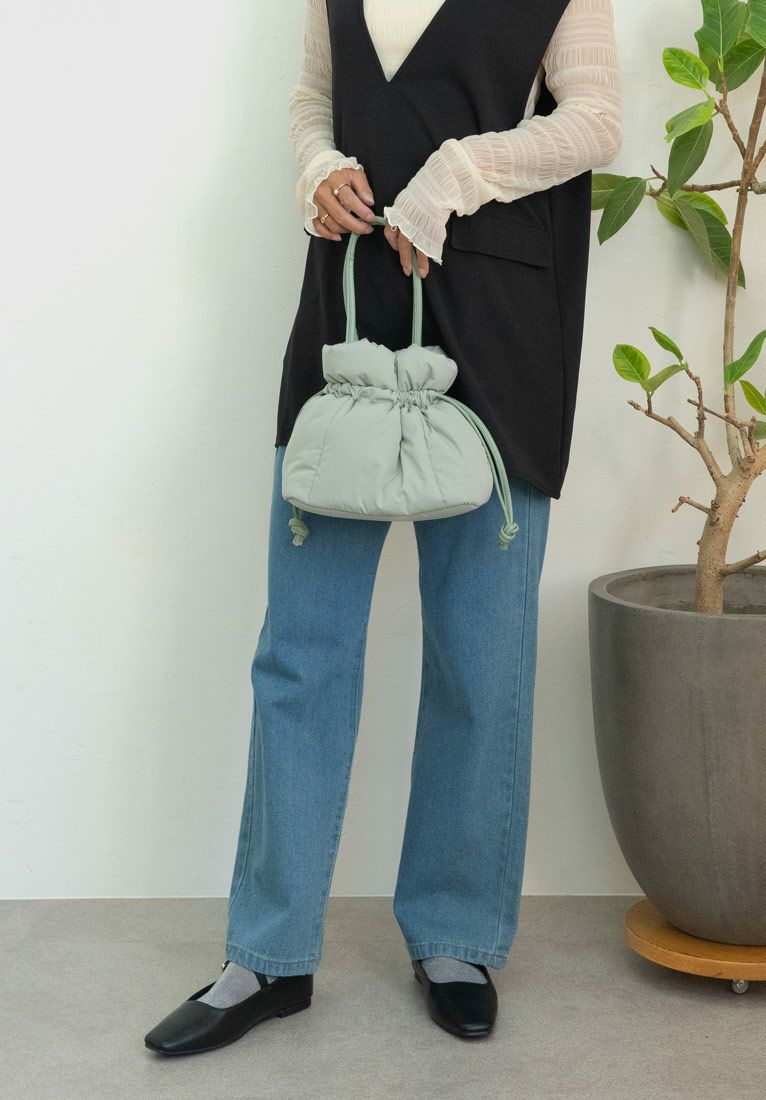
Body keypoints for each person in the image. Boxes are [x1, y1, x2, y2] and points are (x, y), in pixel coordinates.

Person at [145, 0, 622, 1055]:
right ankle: (266, 955)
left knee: (480, 656)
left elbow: (596, 120)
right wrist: (316, 168)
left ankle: (454, 935)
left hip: (498, 332)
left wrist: (459, 172)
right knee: (299, 652)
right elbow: (312, 100)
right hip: (349, 317)